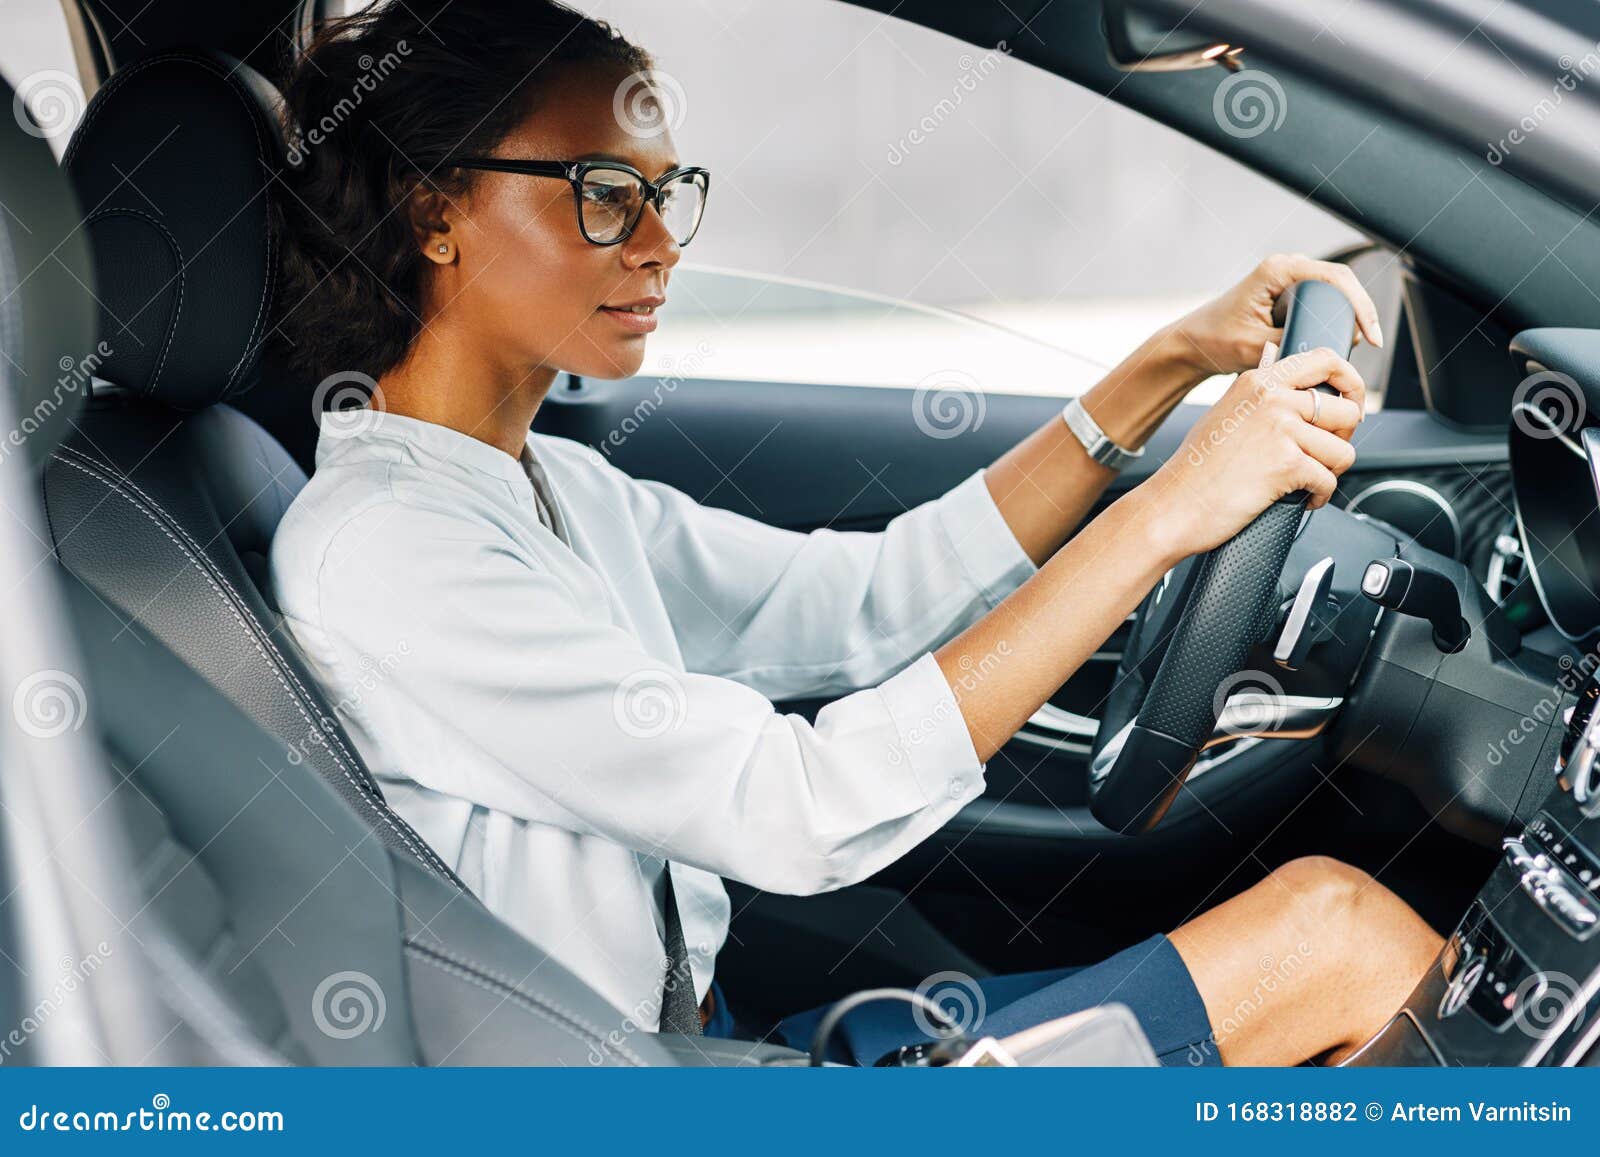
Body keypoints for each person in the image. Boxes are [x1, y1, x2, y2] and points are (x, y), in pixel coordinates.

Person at [268, 0, 1441, 1066]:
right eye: (603, 192)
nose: (660, 241)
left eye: (667, 192)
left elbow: (871, 598)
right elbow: (795, 805)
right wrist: (1167, 515)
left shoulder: (544, 486)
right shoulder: (387, 551)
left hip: (711, 1055)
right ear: (436, 214)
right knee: (1334, 938)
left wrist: (1161, 367)